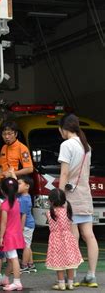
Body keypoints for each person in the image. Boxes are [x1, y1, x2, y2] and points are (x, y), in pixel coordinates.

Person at [58, 113, 98, 288]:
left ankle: (70, 279)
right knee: (88, 235)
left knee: (72, 236)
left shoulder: (66, 145)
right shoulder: (86, 145)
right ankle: (91, 275)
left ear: (63, 128)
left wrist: (58, 196)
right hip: (85, 195)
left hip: (70, 196)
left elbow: (64, 174)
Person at [46, 188, 84, 290]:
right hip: (68, 239)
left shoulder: (49, 213)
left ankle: (61, 284)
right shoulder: (68, 211)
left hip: (55, 240)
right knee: (70, 262)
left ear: (51, 201)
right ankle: (70, 284)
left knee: (59, 263)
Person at [0, 178, 25, 291]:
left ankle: (17, 282)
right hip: (16, 233)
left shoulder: (5, 205)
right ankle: (5, 278)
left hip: (9, 235)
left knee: (13, 258)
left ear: (3, 191)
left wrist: (0, 237)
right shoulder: (17, 202)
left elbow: (3, 223)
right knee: (10, 258)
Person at [17, 176, 36, 274]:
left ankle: (24, 265)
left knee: (26, 246)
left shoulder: (24, 199)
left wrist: (21, 229)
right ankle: (30, 263)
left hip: (26, 225)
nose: (17, 185)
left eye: (19, 183)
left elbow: (23, 215)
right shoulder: (24, 196)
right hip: (28, 224)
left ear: (27, 186)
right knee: (27, 244)